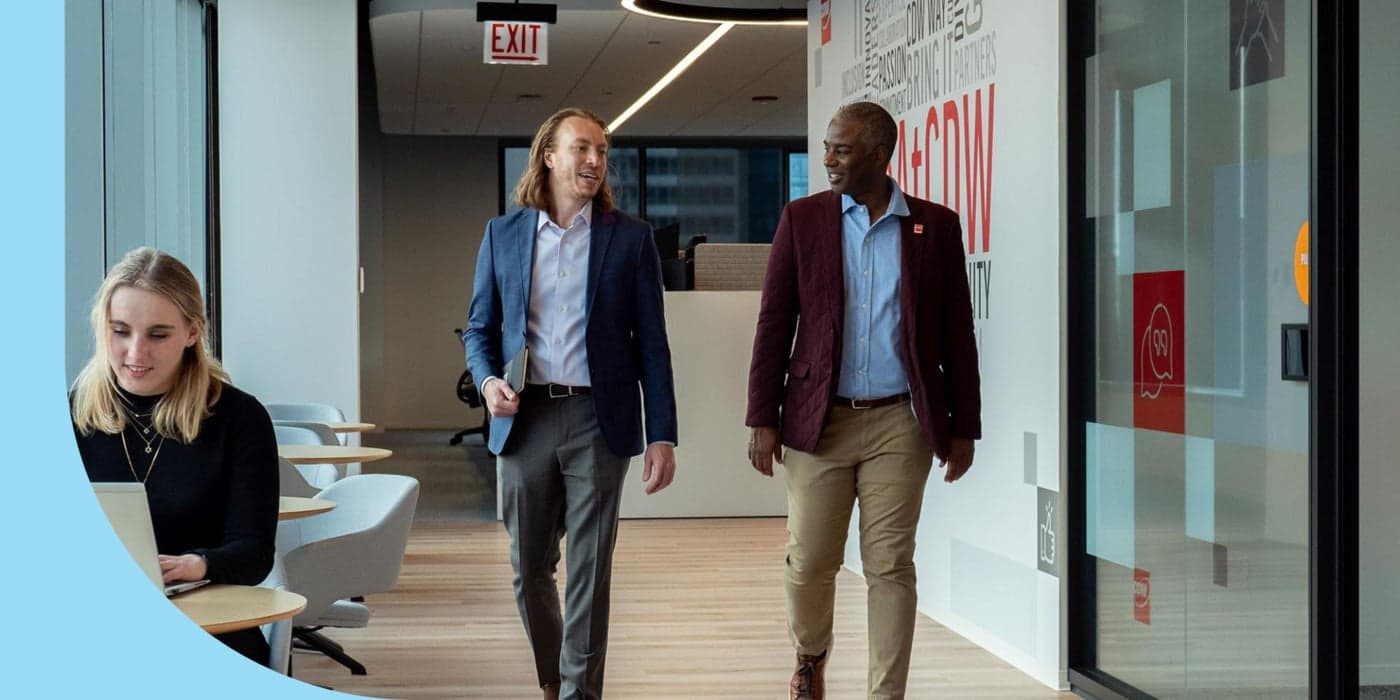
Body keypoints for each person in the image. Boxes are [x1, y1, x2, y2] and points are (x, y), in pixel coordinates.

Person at [745, 101, 981, 700]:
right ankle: (810, 656)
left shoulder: (935, 226)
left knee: (891, 565)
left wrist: (964, 426)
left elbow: (959, 332)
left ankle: (885, 693)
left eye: (841, 149)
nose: (826, 159)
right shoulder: (803, 221)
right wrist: (761, 418)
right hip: (819, 420)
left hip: (902, 421)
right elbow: (774, 323)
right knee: (810, 560)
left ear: (879, 156)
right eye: (827, 146)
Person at [464, 106, 679, 700]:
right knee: (529, 568)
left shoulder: (630, 239)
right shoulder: (502, 235)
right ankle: (554, 677)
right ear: (549, 156)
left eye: (602, 151)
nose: (594, 161)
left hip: (597, 420)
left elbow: (652, 345)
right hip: (524, 417)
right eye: (581, 148)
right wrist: (487, 384)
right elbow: (479, 329)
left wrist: (661, 432)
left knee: (588, 571)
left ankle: (581, 693)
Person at [71, 247, 279, 664]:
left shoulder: (239, 418)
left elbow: (254, 553)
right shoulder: (71, 415)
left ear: (192, 332)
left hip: (208, 627)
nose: (135, 353)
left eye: (158, 334)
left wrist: (198, 565)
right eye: (120, 331)